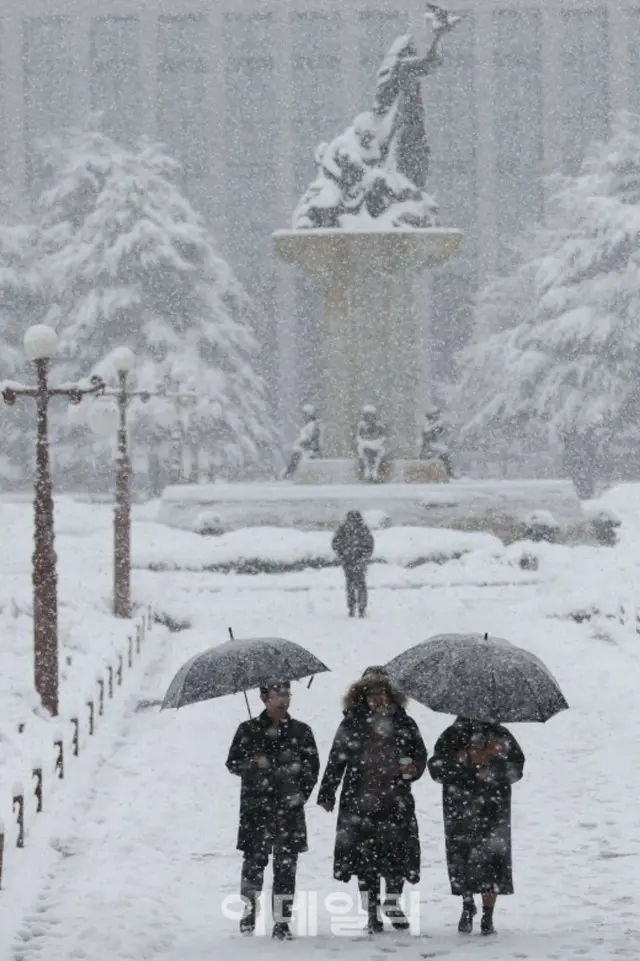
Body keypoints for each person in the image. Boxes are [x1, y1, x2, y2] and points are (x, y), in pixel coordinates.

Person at [317, 667, 427, 934]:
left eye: (382, 692)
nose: (377, 697)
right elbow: (337, 758)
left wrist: (414, 768)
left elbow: (420, 754)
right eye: (372, 692)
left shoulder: (404, 722)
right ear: (362, 695)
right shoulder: (352, 723)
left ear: (391, 694)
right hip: (360, 802)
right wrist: (327, 791)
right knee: (364, 861)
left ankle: (391, 902)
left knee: (396, 856)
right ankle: (371, 912)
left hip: (395, 801)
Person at [225, 681, 320, 940]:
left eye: (287, 694)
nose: (283, 700)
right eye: (278, 695)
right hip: (256, 810)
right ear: (264, 698)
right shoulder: (248, 730)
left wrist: (299, 794)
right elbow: (232, 763)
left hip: (289, 811)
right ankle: (248, 915)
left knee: (286, 869)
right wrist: (254, 763)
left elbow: (312, 768)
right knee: (253, 866)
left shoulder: (301, 731)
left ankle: (282, 922)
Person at [427, 716, 525, 936]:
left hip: (493, 807)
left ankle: (488, 915)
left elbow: (516, 768)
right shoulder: (452, 735)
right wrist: (462, 761)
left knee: (493, 860)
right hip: (459, 806)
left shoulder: (501, 735)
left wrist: (491, 766)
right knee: (462, 857)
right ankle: (467, 904)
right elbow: (436, 768)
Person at [331, 510, 374, 617]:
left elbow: (335, 543)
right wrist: (363, 557)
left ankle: (356, 608)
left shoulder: (346, 528)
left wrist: (343, 555)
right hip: (352, 562)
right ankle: (358, 608)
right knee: (358, 585)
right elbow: (369, 546)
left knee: (353, 585)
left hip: (352, 561)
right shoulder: (361, 529)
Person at [282, 404, 322, 479]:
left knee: (296, 456)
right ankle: (289, 473)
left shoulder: (312, 425)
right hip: (306, 450)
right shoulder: (309, 425)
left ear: (309, 414)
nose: (303, 417)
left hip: (309, 451)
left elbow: (309, 439)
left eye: (304, 414)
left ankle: (289, 474)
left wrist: (299, 444)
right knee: (295, 455)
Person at [355, 405, 389, 482]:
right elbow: (358, 437)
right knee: (362, 450)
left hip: (376, 444)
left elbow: (383, 437)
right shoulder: (361, 425)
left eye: (371, 415)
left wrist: (376, 443)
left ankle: (375, 470)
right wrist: (365, 442)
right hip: (365, 444)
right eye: (368, 415)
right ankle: (367, 469)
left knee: (381, 452)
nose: (370, 417)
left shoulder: (379, 425)